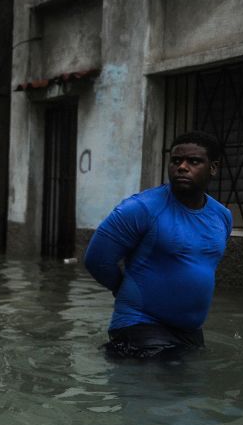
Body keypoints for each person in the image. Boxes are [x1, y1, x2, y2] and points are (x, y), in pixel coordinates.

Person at [84, 131, 233, 358]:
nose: (182, 167)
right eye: (176, 161)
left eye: (193, 161)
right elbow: (96, 260)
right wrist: (122, 288)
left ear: (213, 168)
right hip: (141, 324)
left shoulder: (222, 216)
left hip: (189, 331)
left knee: (189, 391)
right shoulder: (140, 208)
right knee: (159, 391)